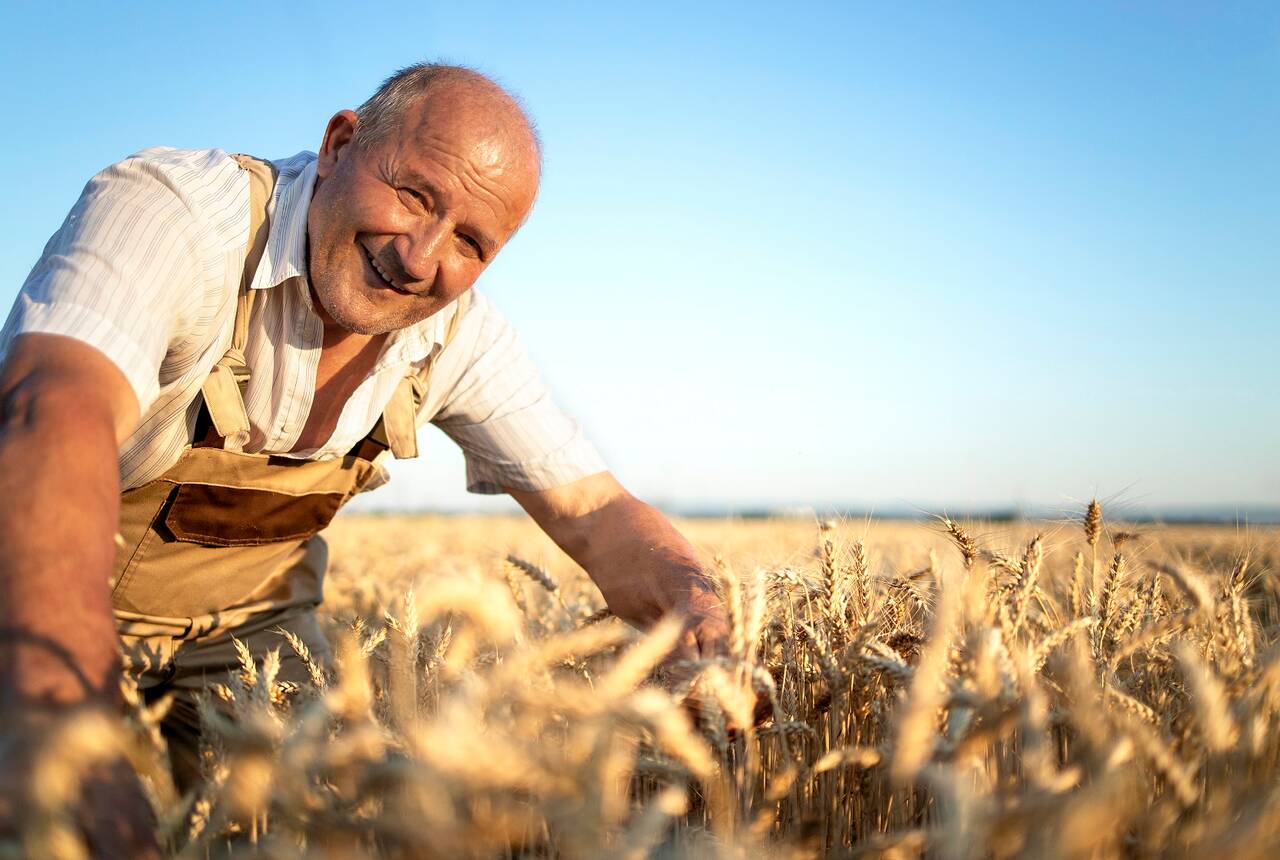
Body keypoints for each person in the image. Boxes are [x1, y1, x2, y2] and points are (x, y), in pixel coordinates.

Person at [0, 63, 728, 854]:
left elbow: (591, 510)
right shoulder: (173, 215)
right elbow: (52, 411)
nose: (420, 259)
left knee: (342, 826)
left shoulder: (456, 338)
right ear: (339, 144)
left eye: (471, 243)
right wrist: (52, 708)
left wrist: (697, 610)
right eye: (415, 195)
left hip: (249, 635)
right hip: (38, 598)